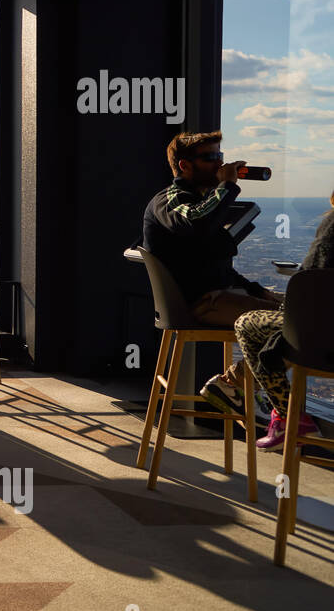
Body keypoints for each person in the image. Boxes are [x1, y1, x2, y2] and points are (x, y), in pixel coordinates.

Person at [142, 131, 281, 417]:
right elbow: (195, 222)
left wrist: (258, 290)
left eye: (220, 156)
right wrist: (227, 186)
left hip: (218, 295)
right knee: (295, 326)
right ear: (184, 165)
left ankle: (242, 387)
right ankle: (235, 385)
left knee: (302, 315)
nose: (219, 164)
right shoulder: (169, 200)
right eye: (210, 158)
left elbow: (216, 267)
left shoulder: (202, 200)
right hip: (200, 303)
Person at [232, 189, 334, 451]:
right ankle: (233, 383)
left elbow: (314, 281)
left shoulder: (332, 224)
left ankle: (288, 415)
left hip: (323, 337)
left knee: (247, 324)